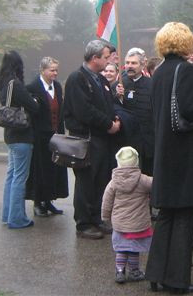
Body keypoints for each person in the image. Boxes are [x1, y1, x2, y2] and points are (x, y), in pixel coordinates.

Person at [145, 22, 193, 295]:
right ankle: (177, 279)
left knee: (166, 216)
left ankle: (156, 273)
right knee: (185, 214)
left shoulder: (159, 71)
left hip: (164, 149)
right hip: (183, 150)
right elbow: (190, 108)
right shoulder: (185, 70)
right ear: (185, 43)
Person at [64, 40, 122, 240]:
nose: (108, 61)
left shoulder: (100, 80)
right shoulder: (77, 79)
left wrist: (115, 118)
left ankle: (97, 218)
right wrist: (108, 124)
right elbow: (84, 111)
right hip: (86, 139)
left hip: (103, 140)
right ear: (94, 57)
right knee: (86, 182)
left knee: (101, 181)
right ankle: (84, 223)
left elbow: (108, 103)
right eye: (106, 57)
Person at [0, 50, 39, 229]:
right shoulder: (17, 84)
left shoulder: (3, 84)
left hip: (10, 134)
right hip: (22, 135)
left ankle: (7, 215)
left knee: (11, 175)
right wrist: (35, 99)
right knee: (20, 177)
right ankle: (17, 218)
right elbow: (33, 107)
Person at [101, 146, 153, 285]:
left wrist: (105, 217)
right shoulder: (143, 180)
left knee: (121, 248)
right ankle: (134, 271)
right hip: (138, 223)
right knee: (134, 248)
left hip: (120, 223)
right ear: (136, 162)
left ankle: (119, 271)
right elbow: (157, 185)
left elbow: (107, 200)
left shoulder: (113, 182)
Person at [25, 56, 68, 217]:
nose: (55, 73)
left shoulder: (57, 86)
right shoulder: (32, 88)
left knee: (53, 169)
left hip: (55, 135)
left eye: (56, 70)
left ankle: (49, 200)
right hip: (39, 137)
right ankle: (38, 202)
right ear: (42, 71)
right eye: (52, 70)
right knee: (40, 170)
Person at [119, 47, 155, 176]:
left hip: (148, 142)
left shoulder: (152, 85)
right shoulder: (119, 85)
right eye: (127, 63)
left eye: (133, 63)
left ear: (143, 64)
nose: (129, 66)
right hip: (126, 141)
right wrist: (116, 96)